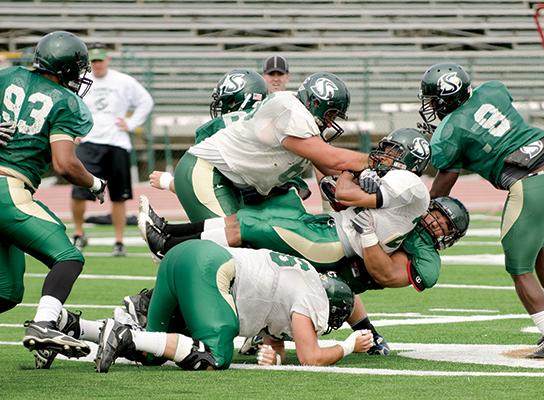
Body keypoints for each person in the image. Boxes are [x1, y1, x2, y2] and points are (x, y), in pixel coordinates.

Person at [138, 128, 435, 355]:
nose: (383, 156)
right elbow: (338, 193)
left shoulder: (410, 183)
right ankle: (168, 241)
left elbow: (345, 193)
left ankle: (167, 242)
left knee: (248, 227)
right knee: (249, 232)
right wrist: (357, 177)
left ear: (410, 158)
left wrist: (351, 174)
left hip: (330, 241)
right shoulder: (397, 186)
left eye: (392, 152)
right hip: (327, 232)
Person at [419, 62, 544, 359]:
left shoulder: (450, 130)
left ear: (443, 100)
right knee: (539, 246)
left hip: (529, 188)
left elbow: (440, 190)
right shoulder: (492, 90)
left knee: (518, 268)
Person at [93, 239, 373, 372]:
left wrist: (273, 357)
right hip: (210, 267)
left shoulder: (304, 279)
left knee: (152, 353)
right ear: (329, 307)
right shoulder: (313, 297)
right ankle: (126, 333)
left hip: (185, 256)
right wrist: (349, 346)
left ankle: (73, 326)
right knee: (215, 357)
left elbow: (274, 339)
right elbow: (310, 357)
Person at [0, 31, 107, 366]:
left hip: (10, 194)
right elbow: (64, 164)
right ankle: (45, 325)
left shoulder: (7, 77)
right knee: (68, 256)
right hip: (7, 190)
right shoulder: (67, 101)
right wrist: (94, 183)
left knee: (6, 292)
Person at [155, 72, 366, 226]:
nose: (330, 123)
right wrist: (375, 162)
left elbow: (329, 164)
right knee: (229, 243)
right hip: (221, 177)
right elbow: (331, 161)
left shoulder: (298, 120)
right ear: (315, 103)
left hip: (247, 186)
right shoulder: (290, 110)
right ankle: (169, 241)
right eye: (330, 115)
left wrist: (370, 176)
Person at [70, 43, 154, 256]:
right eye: (94, 61)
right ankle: (79, 234)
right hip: (89, 142)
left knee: (119, 195)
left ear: (107, 60)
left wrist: (132, 123)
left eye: (100, 60)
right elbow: (70, 103)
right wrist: (73, 130)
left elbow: (146, 101)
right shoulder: (81, 80)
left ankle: (119, 241)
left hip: (117, 143)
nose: (97, 64)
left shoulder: (123, 81)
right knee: (79, 191)